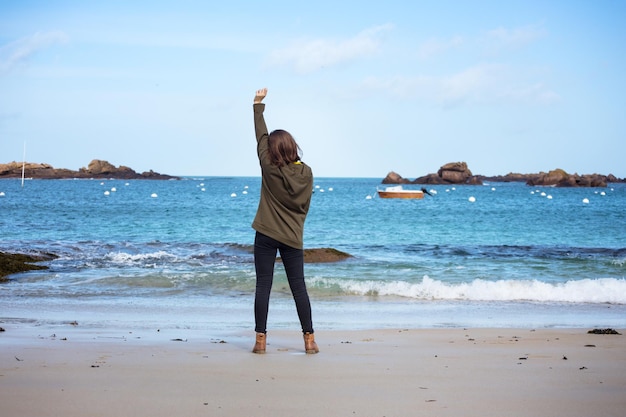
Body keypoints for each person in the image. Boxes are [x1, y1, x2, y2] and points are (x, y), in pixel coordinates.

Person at [251, 87, 318, 354]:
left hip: (266, 234)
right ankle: (309, 340)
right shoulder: (307, 172)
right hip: (293, 236)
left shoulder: (268, 166)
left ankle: (260, 341)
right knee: (298, 288)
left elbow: (261, 136)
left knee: (263, 286)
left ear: (272, 150)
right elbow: (304, 206)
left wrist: (257, 106)